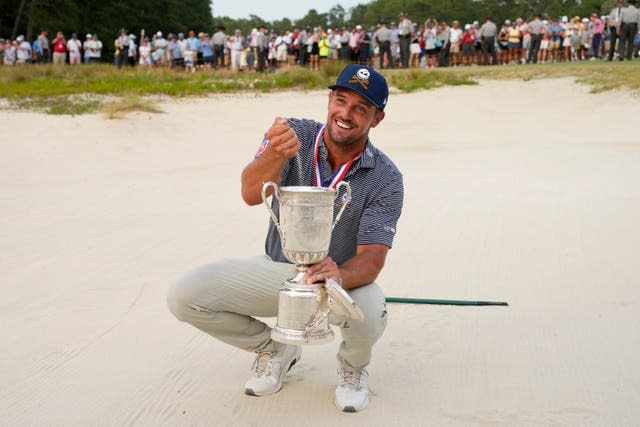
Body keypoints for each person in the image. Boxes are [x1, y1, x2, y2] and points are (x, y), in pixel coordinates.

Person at [167, 64, 403, 413]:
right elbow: (250, 192)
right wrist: (276, 153)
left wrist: (338, 275)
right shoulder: (291, 135)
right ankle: (276, 348)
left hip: (338, 285)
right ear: (329, 99)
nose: (346, 114)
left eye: (360, 109)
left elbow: (372, 258)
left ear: (376, 119)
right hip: (279, 273)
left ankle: (352, 370)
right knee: (184, 296)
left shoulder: (386, 177)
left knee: (369, 310)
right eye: (341, 100)